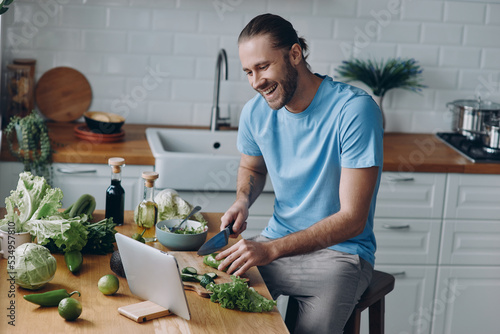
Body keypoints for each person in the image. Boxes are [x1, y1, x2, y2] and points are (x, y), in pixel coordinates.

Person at [216, 13, 384, 334]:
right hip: (276, 241)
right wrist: (242, 201)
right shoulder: (255, 111)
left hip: (341, 255)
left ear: (295, 54)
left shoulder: (354, 110)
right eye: (248, 72)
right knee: (223, 310)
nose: (256, 82)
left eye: (263, 67)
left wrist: (270, 249)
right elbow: (252, 166)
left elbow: (352, 219)